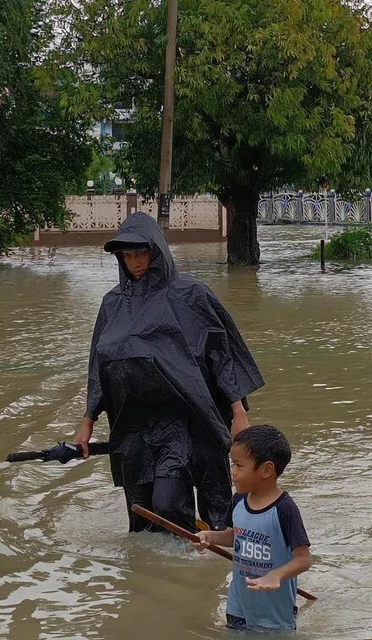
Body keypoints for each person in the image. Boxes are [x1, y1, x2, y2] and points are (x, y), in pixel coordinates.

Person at [73, 212, 264, 534]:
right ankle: (155, 573)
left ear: (156, 250)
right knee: (142, 512)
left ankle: (207, 544)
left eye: (141, 253)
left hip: (187, 418)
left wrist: (238, 412)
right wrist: (88, 420)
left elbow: (222, 354)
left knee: (168, 503)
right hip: (134, 424)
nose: (135, 262)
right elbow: (99, 365)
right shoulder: (113, 304)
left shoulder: (191, 295)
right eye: (127, 256)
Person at [192, 425, 312, 632]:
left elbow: (303, 559)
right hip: (239, 605)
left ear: (266, 470)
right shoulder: (238, 500)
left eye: (239, 466)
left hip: (275, 612)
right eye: (232, 465)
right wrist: (209, 536)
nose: (233, 473)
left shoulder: (285, 509)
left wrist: (277, 574)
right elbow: (236, 536)